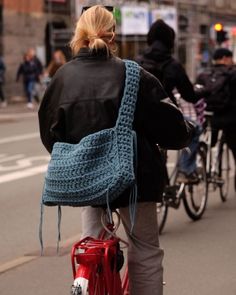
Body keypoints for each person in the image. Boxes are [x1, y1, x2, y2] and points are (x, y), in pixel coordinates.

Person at [38, 6, 193, 295]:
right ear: (113, 35)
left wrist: (82, 157)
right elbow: (171, 128)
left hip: (86, 179)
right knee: (144, 249)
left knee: (90, 244)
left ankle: (87, 277)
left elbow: (49, 134)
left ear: (78, 33)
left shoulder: (61, 78)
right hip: (134, 180)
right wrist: (187, 132)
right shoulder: (134, 75)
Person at [136, 19, 201, 183]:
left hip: (140, 119)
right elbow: (188, 95)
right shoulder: (173, 65)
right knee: (195, 129)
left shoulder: (136, 63)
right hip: (167, 117)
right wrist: (201, 93)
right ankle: (185, 171)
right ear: (170, 41)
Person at [196, 48, 236, 190]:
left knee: (208, 143)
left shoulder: (203, 74)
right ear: (225, 58)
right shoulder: (232, 74)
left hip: (209, 117)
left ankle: (204, 165)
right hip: (230, 119)